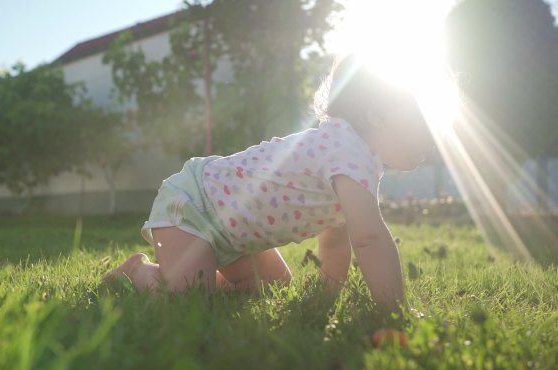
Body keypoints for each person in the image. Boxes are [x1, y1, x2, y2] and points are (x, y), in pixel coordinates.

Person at [108, 55, 435, 314]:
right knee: (188, 302)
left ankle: (202, 271)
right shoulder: (348, 152)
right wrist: (396, 311)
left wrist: (325, 297)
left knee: (274, 284)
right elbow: (370, 238)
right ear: (377, 114)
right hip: (196, 207)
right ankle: (138, 272)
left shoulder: (356, 158)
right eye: (425, 122)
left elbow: (336, 240)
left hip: (232, 232)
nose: (435, 138)